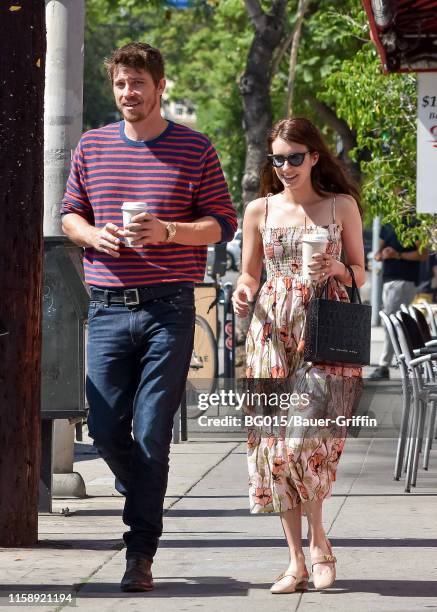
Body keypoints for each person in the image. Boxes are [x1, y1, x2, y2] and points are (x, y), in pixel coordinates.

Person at [61, 42, 237, 592]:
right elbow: (70, 215)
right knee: (108, 426)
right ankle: (138, 485)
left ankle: (139, 553)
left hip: (169, 308)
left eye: (138, 82)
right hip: (109, 308)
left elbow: (221, 223)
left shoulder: (195, 147)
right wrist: (94, 234)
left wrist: (169, 231)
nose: (128, 93)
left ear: (160, 86)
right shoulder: (92, 146)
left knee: (152, 434)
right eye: (120, 84)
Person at [232, 117, 364, 594]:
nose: (285, 166)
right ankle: (295, 560)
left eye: (294, 156)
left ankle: (320, 541)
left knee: (302, 443)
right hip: (270, 332)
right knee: (272, 448)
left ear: (313, 156)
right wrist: (242, 294)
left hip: (326, 328)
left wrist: (338, 267)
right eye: (277, 158)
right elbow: (249, 274)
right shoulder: (258, 210)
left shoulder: (339, 206)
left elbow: (362, 275)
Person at [369, 221, 427, 380]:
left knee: (392, 323)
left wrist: (398, 255)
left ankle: (384, 365)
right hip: (388, 280)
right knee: (395, 323)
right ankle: (407, 364)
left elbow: (423, 254)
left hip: (403, 281)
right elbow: (377, 254)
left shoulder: (413, 225)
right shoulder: (387, 226)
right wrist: (381, 255)